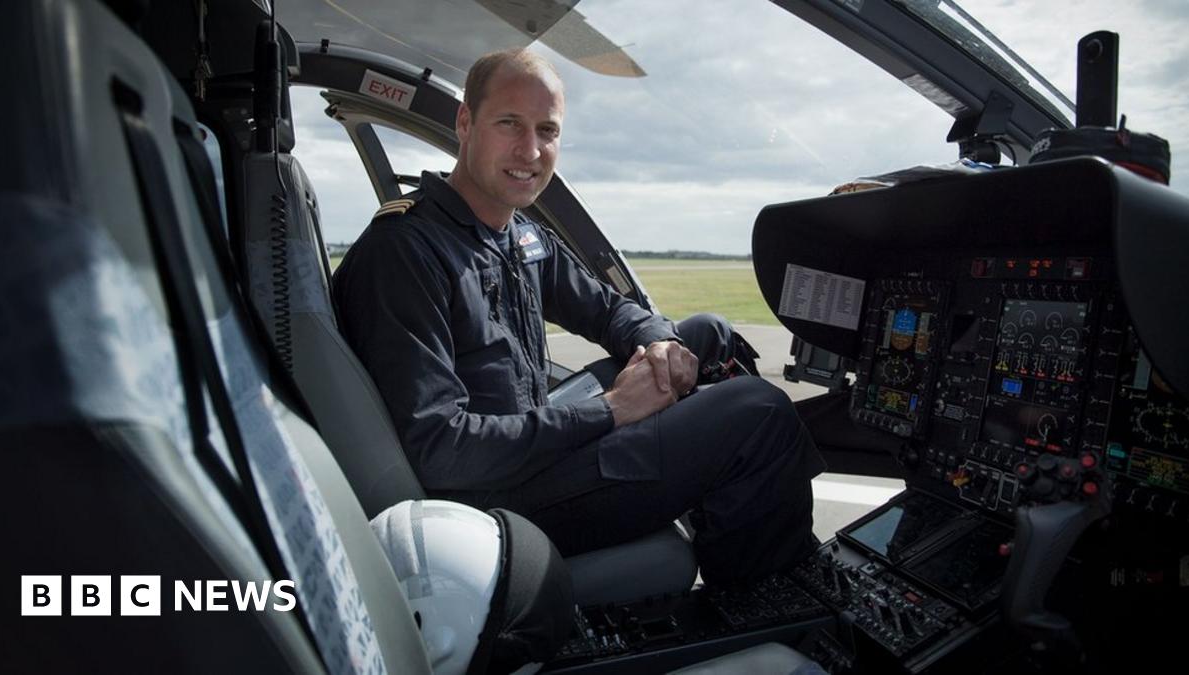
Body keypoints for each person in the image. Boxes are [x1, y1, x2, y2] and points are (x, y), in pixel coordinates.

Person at [333, 49, 825, 585]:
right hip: (490, 503)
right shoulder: (406, 252)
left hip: (532, 452)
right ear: (466, 123)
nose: (530, 150)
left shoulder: (519, 236)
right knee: (758, 410)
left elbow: (609, 310)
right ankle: (769, 600)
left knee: (706, 334)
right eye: (509, 124)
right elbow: (441, 450)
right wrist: (611, 411)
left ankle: (735, 510)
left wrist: (660, 344)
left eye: (547, 130)